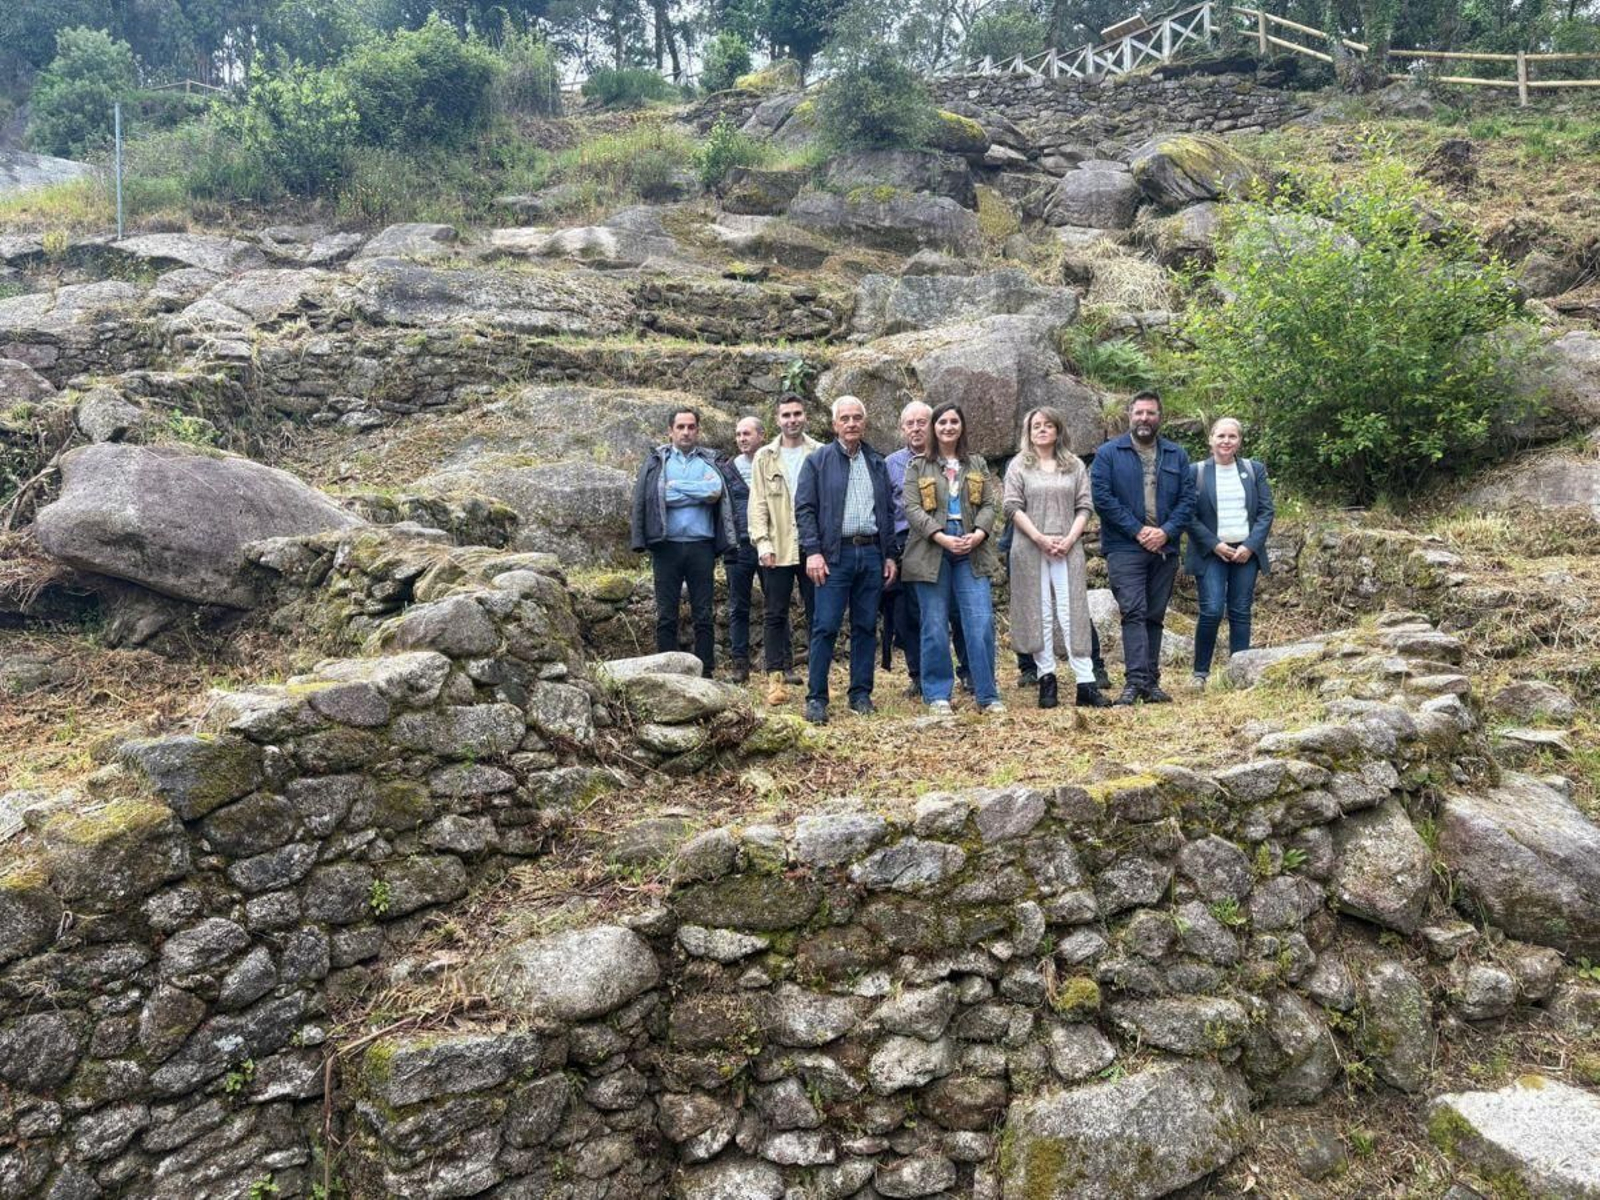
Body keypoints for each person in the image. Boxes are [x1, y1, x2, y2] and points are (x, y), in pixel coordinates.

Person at [794, 395, 898, 724]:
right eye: (845, 418)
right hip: (834, 556)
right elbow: (805, 509)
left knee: (866, 626)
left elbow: (888, 512)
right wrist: (812, 551)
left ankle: (860, 693)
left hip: (870, 554)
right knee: (825, 626)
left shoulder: (877, 462)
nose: (851, 423)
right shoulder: (818, 461)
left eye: (857, 418)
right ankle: (816, 698)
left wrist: (890, 555)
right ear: (834, 424)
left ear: (864, 423)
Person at [1090, 390, 1198, 705]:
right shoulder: (1109, 454)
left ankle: (1151, 683)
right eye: (1139, 413)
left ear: (1159, 416)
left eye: (1150, 413)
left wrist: (1165, 532)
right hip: (1125, 546)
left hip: (1164, 547)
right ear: (1129, 414)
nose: (1144, 419)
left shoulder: (1176, 455)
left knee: (1154, 614)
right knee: (1133, 611)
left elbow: (1187, 501)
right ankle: (1135, 682)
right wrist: (1138, 531)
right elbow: (1103, 499)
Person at [901, 402, 1005, 716]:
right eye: (942, 422)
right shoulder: (917, 467)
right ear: (934, 427)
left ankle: (987, 694)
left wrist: (979, 534)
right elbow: (912, 508)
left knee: (981, 621)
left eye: (954, 422)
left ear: (962, 427)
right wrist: (940, 535)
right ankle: (937, 695)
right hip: (931, 550)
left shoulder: (977, 464)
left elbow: (989, 504)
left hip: (972, 548)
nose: (948, 427)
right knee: (933, 624)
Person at [1005, 406, 1111, 709]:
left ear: (1057, 430)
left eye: (1047, 425)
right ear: (1028, 432)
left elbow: (1084, 506)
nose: (1041, 430)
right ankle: (1046, 679)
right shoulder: (1018, 465)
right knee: (1040, 612)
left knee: (1072, 611)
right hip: (1030, 547)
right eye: (1035, 425)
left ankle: (1085, 682)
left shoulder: (1074, 465)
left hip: (1067, 546)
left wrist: (1069, 538)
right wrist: (1039, 538)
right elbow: (1012, 507)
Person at [629, 407, 736, 677]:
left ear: (698, 430)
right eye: (681, 427)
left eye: (691, 427)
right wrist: (696, 491)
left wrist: (678, 487)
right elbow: (657, 495)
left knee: (704, 614)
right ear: (671, 430)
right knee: (666, 614)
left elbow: (714, 491)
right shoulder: (658, 461)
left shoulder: (709, 461)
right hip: (667, 546)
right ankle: (668, 672)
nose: (686, 432)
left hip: (702, 546)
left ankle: (706, 671)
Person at [884, 401, 971, 698]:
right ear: (902, 428)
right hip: (907, 545)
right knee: (911, 615)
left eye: (923, 421)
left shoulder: (949, 461)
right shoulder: (891, 464)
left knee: (957, 611)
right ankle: (919, 675)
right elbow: (885, 509)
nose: (917, 428)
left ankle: (968, 672)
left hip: (948, 540)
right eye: (911, 423)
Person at [1186, 417, 1275, 689]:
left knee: (1240, 611)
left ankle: (1239, 672)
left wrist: (1249, 546)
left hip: (1245, 552)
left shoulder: (1254, 469)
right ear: (1210, 439)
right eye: (1221, 436)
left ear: (1240, 441)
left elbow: (1266, 511)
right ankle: (1200, 673)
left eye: (1232, 437)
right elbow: (1187, 515)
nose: (1226, 441)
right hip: (1210, 551)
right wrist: (1214, 543)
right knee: (1212, 610)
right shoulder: (1195, 472)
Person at [747, 395, 823, 705]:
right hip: (777, 547)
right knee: (775, 614)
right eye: (786, 415)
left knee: (818, 614)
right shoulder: (764, 456)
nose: (792, 419)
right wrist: (762, 542)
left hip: (812, 546)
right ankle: (775, 681)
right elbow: (758, 504)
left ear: (805, 416)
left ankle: (819, 681)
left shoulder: (819, 453)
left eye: (797, 413)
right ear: (777, 420)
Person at [716, 415, 766, 684]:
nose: (742, 439)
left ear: (762, 435)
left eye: (747, 433)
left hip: (769, 544)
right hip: (739, 547)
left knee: (776, 606)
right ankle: (739, 666)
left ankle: (784, 665)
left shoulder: (772, 463)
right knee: (738, 607)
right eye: (738, 434)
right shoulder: (726, 470)